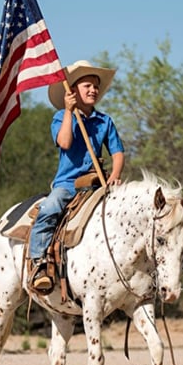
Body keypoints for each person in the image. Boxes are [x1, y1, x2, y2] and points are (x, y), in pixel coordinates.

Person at [28, 60, 125, 290]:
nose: (93, 90)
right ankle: (39, 262)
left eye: (95, 86)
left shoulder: (105, 121)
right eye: (87, 86)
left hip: (97, 182)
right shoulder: (61, 117)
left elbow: (118, 153)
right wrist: (70, 111)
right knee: (50, 207)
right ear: (72, 92)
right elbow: (65, 141)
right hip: (68, 184)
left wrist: (115, 175)